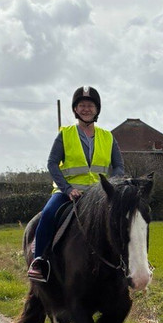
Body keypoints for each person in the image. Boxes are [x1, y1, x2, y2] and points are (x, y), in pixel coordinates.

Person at [28, 85, 125, 282]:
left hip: (98, 193)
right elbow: (52, 163)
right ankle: (39, 261)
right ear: (75, 109)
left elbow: (119, 166)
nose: (86, 109)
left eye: (90, 105)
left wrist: (110, 187)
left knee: (126, 218)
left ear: (97, 109)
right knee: (48, 214)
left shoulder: (108, 137)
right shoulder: (65, 134)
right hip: (68, 192)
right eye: (82, 105)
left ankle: (129, 263)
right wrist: (67, 188)